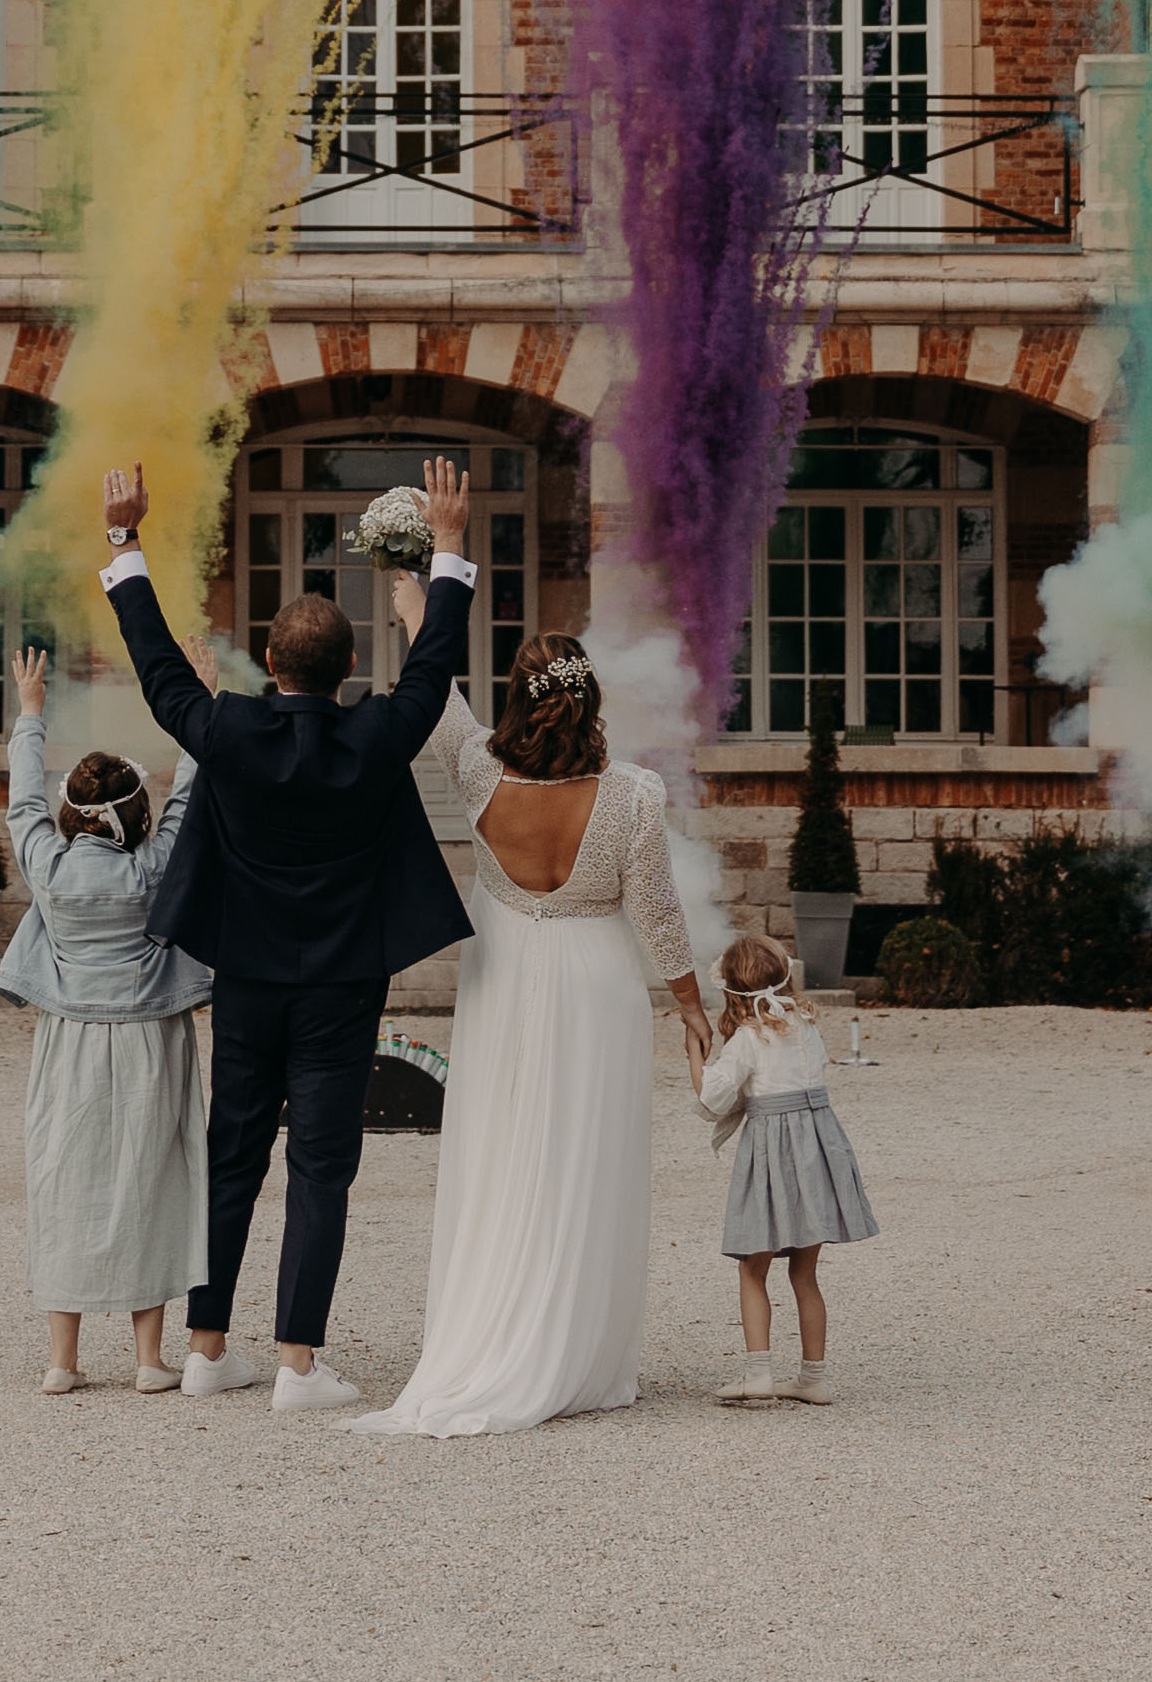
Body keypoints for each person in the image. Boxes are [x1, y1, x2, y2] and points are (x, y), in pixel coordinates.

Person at [97, 456, 474, 1412]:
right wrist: (451, 550)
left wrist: (123, 540)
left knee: (232, 1155)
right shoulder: (380, 733)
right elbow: (433, 667)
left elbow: (153, 669)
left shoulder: (225, 728)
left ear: (268, 666)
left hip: (249, 977)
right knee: (321, 1166)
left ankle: (205, 1345)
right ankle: (299, 1362)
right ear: (348, 667)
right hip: (344, 982)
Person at [346, 612, 715, 1439]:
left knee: (501, 1150)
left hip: (504, 975)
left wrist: (420, 603)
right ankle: (576, 1353)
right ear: (590, 700)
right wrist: (692, 1007)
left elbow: (438, 694)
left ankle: (493, 1327)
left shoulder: (478, 770)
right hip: (597, 985)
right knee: (584, 1158)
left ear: (518, 697)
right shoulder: (631, 794)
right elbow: (657, 913)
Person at [0, 641, 213, 1393]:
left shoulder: (48, 867)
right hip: (151, 1035)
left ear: (72, 813)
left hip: (70, 1041)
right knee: (148, 1177)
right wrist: (195, 709)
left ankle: (63, 1360)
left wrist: (30, 712)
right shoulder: (152, 867)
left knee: (65, 1179)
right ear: (132, 812)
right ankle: (149, 1360)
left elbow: (21, 803)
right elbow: (189, 794)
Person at [694, 930, 876, 1405]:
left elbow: (713, 1099)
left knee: (753, 1268)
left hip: (774, 1155)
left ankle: (758, 1374)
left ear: (731, 989)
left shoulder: (747, 1040)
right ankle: (813, 1378)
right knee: (804, 1272)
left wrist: (694, 1054)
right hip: (817, 1148)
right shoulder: (806, 1025)